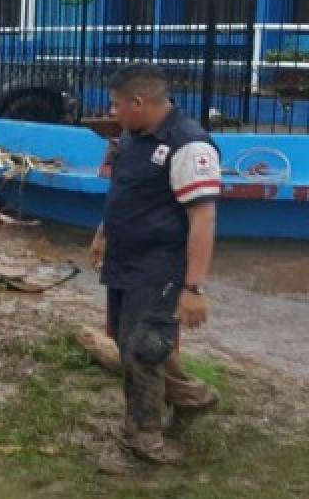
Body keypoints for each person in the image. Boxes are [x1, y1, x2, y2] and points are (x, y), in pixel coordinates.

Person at [91, 63, 221, 473]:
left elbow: (203, 218)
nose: (112, 112)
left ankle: (143, 447)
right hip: (126, 259)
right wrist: (103, 233)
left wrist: (194, 289)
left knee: (142, 352)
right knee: (129, 339)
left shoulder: (188, 146)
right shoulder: (132, 137)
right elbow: (124, 193)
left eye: (116, 105)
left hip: (160, 268)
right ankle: (193, 397)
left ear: (139, 102)